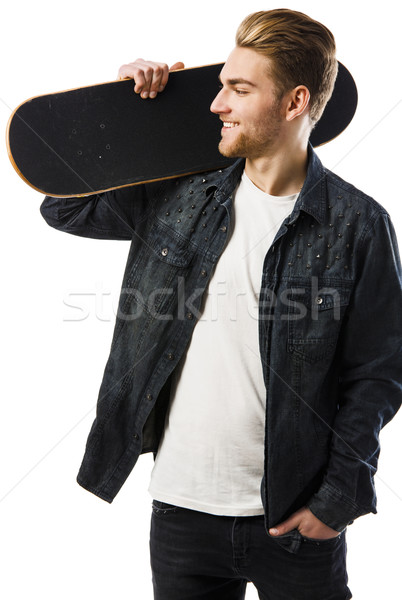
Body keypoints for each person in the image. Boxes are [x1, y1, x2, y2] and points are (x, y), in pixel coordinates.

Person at [40, 9, 402, 600]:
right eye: (220, 85)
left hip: (294, 520)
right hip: (181, 514)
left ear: (293, 103)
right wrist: (125, 114)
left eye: (239, 89)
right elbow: (63, 208)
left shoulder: (357, 224)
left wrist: (335, 503)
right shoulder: (177, 191)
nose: (216, 104)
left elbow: (380, 372)